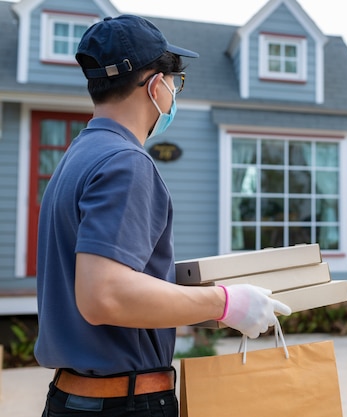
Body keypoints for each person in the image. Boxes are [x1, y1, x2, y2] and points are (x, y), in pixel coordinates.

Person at [34, 15, 291, 417]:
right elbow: (105, 295)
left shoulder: (77, 156)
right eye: (175, 82)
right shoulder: (125, 162)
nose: (173, 92)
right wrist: (225, 303)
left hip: (75, 398)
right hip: (122, 403)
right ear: (156, 85)